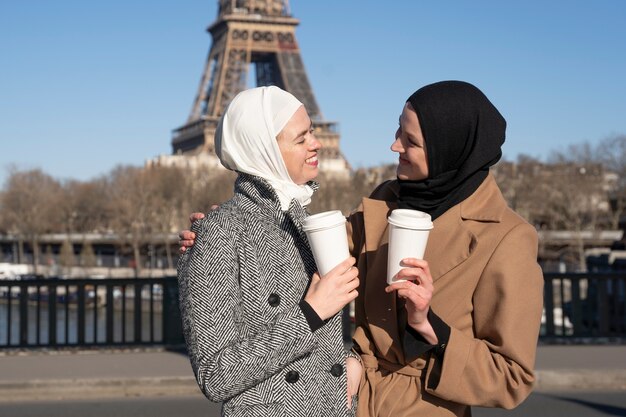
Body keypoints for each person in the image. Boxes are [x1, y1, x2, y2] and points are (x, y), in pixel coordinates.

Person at [180, 80, 544, 417]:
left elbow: (511, 377)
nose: (394, 144)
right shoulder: (383, 202)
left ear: (450, 149)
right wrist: (222, 233)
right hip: (351, 402)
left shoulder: (507, 238)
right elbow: (302, 253)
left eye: (411, 141)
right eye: (398, 129)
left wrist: (429, 325)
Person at [177, 85, 360, 417]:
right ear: (264, 150)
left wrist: (354, 363)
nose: (316, 144)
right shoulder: (221, 232)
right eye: (301, 138)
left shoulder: (306, 224)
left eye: (313, 133)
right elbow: (214, 375)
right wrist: (309, 314)